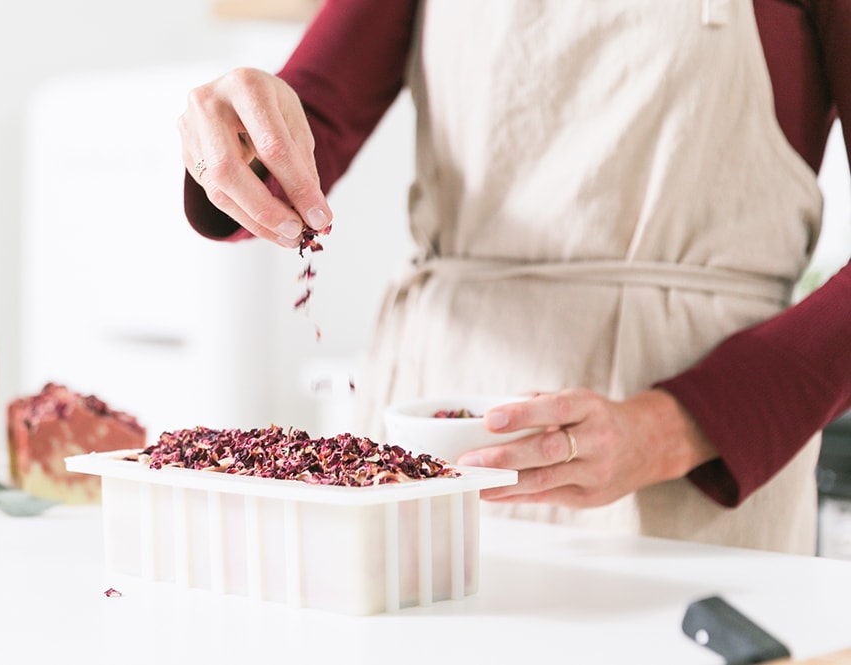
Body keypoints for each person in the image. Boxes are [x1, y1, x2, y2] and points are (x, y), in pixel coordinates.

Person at [178, 0, 851, 554]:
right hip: (435, 445)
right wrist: (236, 133)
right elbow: (301, 139)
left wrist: (676, 427)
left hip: (697, 466)